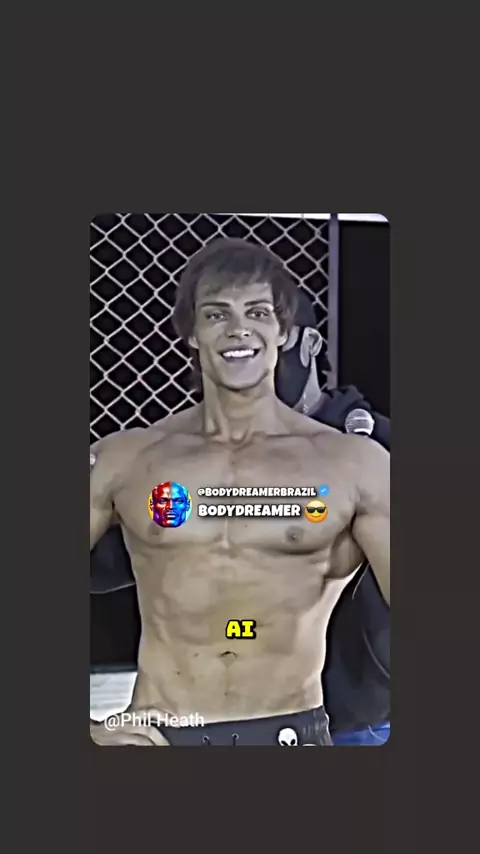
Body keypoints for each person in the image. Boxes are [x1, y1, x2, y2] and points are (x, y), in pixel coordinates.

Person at [90, 238, 390, 746]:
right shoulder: (127, 459)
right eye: (216, 314)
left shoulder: (354, 464)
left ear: (283, 331)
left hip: (291, 735)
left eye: (257, 312)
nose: (238, 329)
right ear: (192, 333)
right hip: (159, 734)